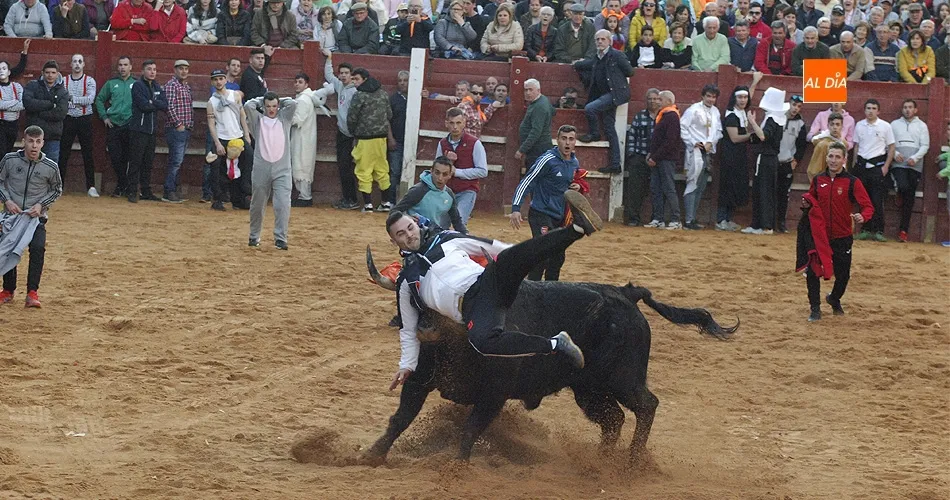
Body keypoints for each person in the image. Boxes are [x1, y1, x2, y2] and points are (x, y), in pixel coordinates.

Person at [386, 195, 602, 389]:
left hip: (487, 282)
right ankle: (556, 344)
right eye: (401, 234)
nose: (409, 236)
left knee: (509, 257)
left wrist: (520, 260)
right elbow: (407, 327)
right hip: (474, 309)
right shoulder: (406, 280)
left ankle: (576, 230)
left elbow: (492, 246)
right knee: (482, 342)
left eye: (410, 228)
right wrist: (407, 365)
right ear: (394, 240)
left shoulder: (446, 239)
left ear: (416, 223)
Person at [801, 142, 874, 322]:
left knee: (843, 276)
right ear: (826, 158)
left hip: (842, 236)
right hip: (820, 236)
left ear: (844, 160)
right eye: (830, 156)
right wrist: (806, 204)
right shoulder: (818, 180)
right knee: (813, 272)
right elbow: (811, 201)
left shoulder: (852, 182)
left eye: (837, 157)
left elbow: (868, 206)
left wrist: (862, 217)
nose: (833, 160)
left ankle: (834, 298)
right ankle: (815, 309)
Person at [510, 124, 585, 281]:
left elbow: (574, 183)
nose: (567, 143)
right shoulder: (547, 159)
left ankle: (551, 292)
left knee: (558, 258)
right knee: (542, 255)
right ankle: (531, 291)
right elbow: (527, 181)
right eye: (563, 139)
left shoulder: (574, 162)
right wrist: (516, 208)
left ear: (575, 142)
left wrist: (577, 186)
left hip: (559, 216)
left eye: (571, 139)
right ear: (557, 140)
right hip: (540, 213)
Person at [0, 126, 62, 309]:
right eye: (30, 141)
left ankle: (32, 292)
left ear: (43, 143)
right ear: (23, 142)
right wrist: (7, 201)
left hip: (35, 218)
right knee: (7, 249)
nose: (34, 146)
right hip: (11, 215)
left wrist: (41, 205)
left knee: (37, 248)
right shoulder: (9, 160)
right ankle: (8, 290)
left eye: (38, 142)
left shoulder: (51, 167)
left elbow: (57, 189)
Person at [574, 29, 633, 174]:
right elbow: (586, 65)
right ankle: (615, 164)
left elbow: (630, 72)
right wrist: (577, 64)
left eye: (603, 39)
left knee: (590, 108)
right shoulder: (597, 57)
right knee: (609, 128)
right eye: (597, 40)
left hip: (614, 94)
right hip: (606, 95)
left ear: (609, 41)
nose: (600, 42)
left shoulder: (617, 55)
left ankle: (594, 134)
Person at [243, 92, 296, 250]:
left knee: (283, 204)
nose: (271, 109)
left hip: (283, 169)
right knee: (257, 204)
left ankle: (281, 238)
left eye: (274, 106)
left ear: (278, 105)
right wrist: (262, 99)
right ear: (263, 106)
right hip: (261, 169)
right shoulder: (257, 121)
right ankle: (254, 236)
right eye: (268, 106)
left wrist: (278, 99)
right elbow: (248, 106)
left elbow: (293, 103)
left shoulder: (284, 118)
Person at [716, 75, 762, 232]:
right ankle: (721, 219)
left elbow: (749, 94)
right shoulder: (732, 115)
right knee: (728, 186)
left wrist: (755, 82)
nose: (743, 100)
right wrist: (752, 135)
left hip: (739, 156)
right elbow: (735, 138)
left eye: (744, 97)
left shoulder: (740, 112)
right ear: (735, 99)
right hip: (731, 156)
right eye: (740, 97)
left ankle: (727, 219)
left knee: (734, 187)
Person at [741, 87, 786, 235]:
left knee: (763, 191)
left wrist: (752, 122)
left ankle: (765, 225)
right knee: (763, 191)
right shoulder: (776, 118)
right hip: (769, 159)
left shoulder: (773, 119)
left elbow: (763, 137)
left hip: (766, 159)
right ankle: (760, 224)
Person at [347, 68, 393, 212]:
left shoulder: (359, 95)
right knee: (382, 170)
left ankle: (367, 204)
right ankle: (386, 202)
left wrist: (353, 132)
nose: (354, 82)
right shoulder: (383, 93)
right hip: (381, 139)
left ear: (365, 79)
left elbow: (352, 117)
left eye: (356, 79)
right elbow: (389, 114)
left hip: (365, 139)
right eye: (353, 79)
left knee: (363, 171)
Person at [679, 83, 723, 231]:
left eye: (714, 97)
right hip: (695, 152)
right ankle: (689, 219)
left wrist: (711, 142)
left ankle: (692, 218)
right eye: (708, 96)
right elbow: (682, 127)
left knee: (701, 186)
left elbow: (718, 130)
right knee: (692, 184)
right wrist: (693, 142)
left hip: (708, 152)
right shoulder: (693, 110)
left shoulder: (716, 111)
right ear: (702, 96)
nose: (711, 99)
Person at [207, 69, 252, 211]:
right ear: (212, 82)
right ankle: (218, 199)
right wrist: (217, 143)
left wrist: (246, 134)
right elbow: (211, 124)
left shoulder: (235, 95)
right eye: (215, 79)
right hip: (222, 138)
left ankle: (240, 198)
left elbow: (242, 115)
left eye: (221, 78)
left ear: (225, 80)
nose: (218, 82)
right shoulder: (211, 102)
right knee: (217, 168)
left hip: (237, 136)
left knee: (247, 160)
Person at [852, 98, 894, 242]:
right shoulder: (859, 125)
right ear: (864, 110)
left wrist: (886, 166)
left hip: (877, 167)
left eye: (873, 108)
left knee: (877, 199)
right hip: (862, 167)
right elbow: (856, 147)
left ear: (878, 111)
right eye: (868, 108)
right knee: (863, 200)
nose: (870, 111)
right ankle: (865, 229)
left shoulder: (885, 126)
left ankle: (878, 230)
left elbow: (891, 147)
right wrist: (855, 165)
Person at [436, 107, 488, 225]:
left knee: (458, 223)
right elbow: (437, 169)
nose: (455, 127)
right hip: (446, 192)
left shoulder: (475, 143)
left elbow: (483, 171)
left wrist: (457, 172)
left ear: (464, 123)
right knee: (441, 226)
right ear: (446, 124)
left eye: (458, 123)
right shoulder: (442, 143)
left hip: (467, 190)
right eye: (452, 123)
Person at [126, 60, 167, 204]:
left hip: (151, 130)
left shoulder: (156, 85)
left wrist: (152, 102)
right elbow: (143, 106)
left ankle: (145, 190)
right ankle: (131, 191)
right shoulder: (138, 85)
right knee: (136, 161)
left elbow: (164, 104)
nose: (152, 72)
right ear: (143, 71)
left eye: (154, 69)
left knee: (148, 162)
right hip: (139, 129)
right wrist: (154, 103)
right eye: (149, 69)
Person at [324, 50, 359, 210]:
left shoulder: (355, 91)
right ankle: (348, 198)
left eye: (346, 73)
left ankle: (352, 199)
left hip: (352, 135)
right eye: (342, 73)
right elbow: (328, 75)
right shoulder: (340, 86)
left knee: (348, 167)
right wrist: (329, 58)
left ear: (352, 76)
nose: (343, 76)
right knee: (343, 166)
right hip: (342, 133)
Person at [889, 99, 929, 243]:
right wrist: (895, 154)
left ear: (915, 110)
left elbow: (925, 145)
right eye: (905, 107)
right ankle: (899, 190)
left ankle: (903, 230)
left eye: (910, 107)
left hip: (914, 164)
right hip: (898, 162)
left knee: (910, 198)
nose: (907, 110)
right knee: (904, 186)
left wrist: (915, 158)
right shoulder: (894, 124)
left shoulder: (922, 126)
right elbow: (889, 142)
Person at [94, 56, 135, 198]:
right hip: (114, 125)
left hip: (130, 125)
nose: (122, 68)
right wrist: (104, 117)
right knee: (115, 157)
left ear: (131, 67)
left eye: (125, 65)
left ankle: (122, 186)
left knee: (129, 157)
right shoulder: (111, 83)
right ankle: (123, 184)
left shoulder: (136, 84)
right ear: (117, 68)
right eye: (120, 65)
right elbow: (99, 99)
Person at [290, 73, 332, 208]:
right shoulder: (306, 98)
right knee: (303, 163)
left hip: (302, 137)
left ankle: (305, 196)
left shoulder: (303, 100)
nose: (297, 84)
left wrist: (283, 116)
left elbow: (297, 120)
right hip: (305, 136)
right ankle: (304, 195)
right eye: (296, 81)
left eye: (300, 82)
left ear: (306, 85)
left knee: (300, 163)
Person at [394, 157, 467, 232]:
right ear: (431, 171)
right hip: (415, 236)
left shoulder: (449, 194)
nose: (440, 178)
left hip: (435, 235)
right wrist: (407, 218)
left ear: (450, 175)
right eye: (437, 173)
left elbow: (456, 221)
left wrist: (467, 237)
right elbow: (395, 211)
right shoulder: (418, 190)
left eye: (444, 174)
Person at [59, 54, 97, 198]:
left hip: (84, 119)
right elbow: (62, 101)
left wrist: (72, 99)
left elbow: (90, 99)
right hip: (68, 119)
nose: (77, 64)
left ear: (84, 65)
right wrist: (77, 101)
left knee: (88, 152)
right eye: (74, 61)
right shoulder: (63, 80)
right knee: (64, 153)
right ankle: (59, 186)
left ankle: (91, 186)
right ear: (70, 64)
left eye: (80, 61)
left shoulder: (90, 81)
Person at [644, 90, 682, 229]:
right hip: (660, 158)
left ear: (667, 101)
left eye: (660, 99)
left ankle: (675, 219)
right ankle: (658, 218)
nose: (657, 102)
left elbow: (670, 141)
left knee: (667, 188)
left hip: (666, 159)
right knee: (657, 188)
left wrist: (654, 156)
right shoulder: (666, 115)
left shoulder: (671, 116)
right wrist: (652, 155)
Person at [624, 88, 660, 227]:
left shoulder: (663, 116)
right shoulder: (639, 116)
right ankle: (633, 218)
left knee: (657, 189)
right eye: (650, 99)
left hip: (657, 159)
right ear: (646, 101)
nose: (653, 101)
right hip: (639, 156)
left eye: (656, 99)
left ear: (660, 100)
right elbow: (632, 136)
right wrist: (632, 155)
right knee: (635, 189)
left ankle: (656, 218)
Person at [23, 61, 69, 166]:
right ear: (42, 73)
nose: (50, 75)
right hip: (33, 137)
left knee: (50, 168)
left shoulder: (63, 92)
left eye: (53, 72)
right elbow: (28, 103)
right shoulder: (32, 85)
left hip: (52, 137)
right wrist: (50, 105)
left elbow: (60, 114)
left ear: (57, 74)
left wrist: (39, 113)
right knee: (30, 167)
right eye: (47, 72)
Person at [161, 60, 193, 204]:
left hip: (185, 128)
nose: (184, 71)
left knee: (177, 161)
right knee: (175, 161)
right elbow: (169, 107)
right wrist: (178, 124)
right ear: (175, 70)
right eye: (181, 69)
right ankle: (169, 191)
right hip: (176, 128)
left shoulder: (185, 86)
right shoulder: (171, 85)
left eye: (186, 69)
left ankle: (172, 189)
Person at [776, 94, 807, 234]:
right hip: (773, 160)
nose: (795, 108)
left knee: (783, 195)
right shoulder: (777, 117)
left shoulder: (800, 124)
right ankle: (769, 221)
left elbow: (801, 146)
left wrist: (796, 160)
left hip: (787, 162)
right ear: (788, 103)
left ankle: (781, 222)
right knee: (770, 192)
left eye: (799, 106)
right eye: (794, 105)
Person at [515, 78, 555, 173]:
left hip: (537, 150)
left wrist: (522, 150)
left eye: (530, 90)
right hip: (539, 147)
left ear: (538, 91)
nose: (528, 93)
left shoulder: (539, 106)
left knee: (533, 177)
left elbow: (536, 132)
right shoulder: (543, 100)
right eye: (526, 90)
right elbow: (553, 111)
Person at [807, 112, 849, 181]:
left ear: (842, 127)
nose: (835, 127)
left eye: (837, 124)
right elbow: (814, 170)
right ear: (828, 126)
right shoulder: (822, 145)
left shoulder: (842, 142)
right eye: (832, 124)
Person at [387, 71, 408, 205]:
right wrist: (391, 138)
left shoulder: (417, 97)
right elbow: (387, 120)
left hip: (412, 142)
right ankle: (391, 201)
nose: (402, 83)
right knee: (395, 172)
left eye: (405, 80)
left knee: (406, 173)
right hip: (398, 141)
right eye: (400, 80)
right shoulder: (393, 99)